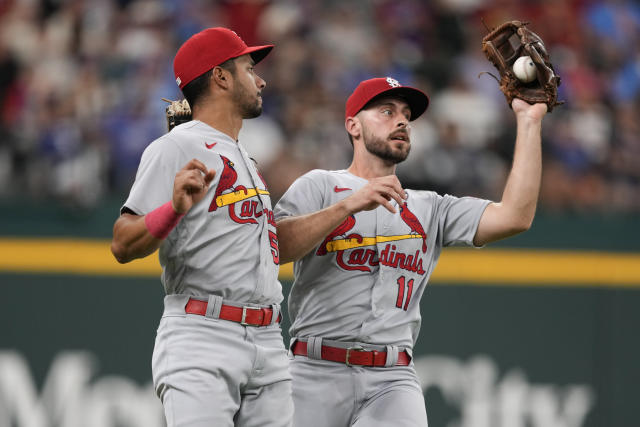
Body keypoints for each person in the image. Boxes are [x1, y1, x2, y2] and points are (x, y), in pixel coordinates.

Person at [274, 76, 547, 426]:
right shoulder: (320, 185)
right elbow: (276, 247)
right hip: (313, 370)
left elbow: (515, 216)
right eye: (386, 111)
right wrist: (347, 206)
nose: (401, 120)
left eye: (406, 114)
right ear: (353, 126)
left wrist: (529, 122)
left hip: (392, 379)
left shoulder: (430, 207)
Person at [110, 27, 293, 427]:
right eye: (248, 68)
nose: (260, 79)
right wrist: (173, 209)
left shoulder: (244, 155)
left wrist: (345, 207)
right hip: (205, 335)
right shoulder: (177, 145)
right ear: (221, 77)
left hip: (268, 338)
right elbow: (123, 242)